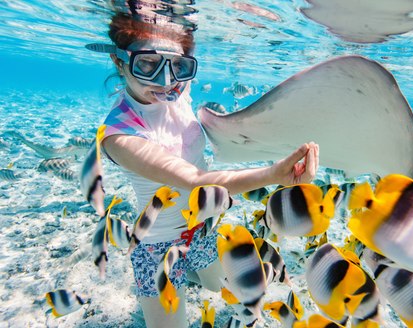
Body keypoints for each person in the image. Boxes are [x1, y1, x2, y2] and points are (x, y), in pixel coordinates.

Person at [89, 13, 319, 328]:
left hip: (203, 229)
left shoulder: (179, 90)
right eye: (146, 65)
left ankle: (192, 277)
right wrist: (274, 174)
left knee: (217, 287)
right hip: (156, 250)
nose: (165, 82)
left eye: (179, 67)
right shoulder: (118, 135)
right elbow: (194, 182)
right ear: (119, 62)